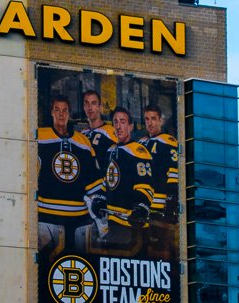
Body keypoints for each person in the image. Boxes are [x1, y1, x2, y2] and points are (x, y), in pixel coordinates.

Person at [37, 94, 105, 260]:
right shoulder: (39, 136)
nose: (61, 114)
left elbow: (93, 181)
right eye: (57, 110)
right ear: (51, 113)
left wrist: (98, 203)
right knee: (45, 269)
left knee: (76, 265)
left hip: (78, 220)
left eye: (65, 110)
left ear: (69, 114)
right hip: (47, 216)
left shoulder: (82, 142)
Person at [89, 106, 154, 257]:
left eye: (123, 122)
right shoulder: (110, 151)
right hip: (113, 224)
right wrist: (99, 198)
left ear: (130, 126)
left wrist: (141, 207)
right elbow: (107, 183)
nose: (118, 126)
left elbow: (145, 187)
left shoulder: (138, 151)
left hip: (132, 226)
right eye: (115, 122)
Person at [138, 105, 180, 260]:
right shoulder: (141, 144)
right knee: (143, 248)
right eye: (147, 119)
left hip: (160, 207)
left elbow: (174, 172)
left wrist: (171, 199)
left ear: (161, 120)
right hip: (143, 207)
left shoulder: (168, 141)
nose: (150, 123)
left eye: (153, 119)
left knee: (161, 247)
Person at [81, 90, 118, 176]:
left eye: (93, 103)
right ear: (84, 107)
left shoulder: (110, 131)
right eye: (87, 103)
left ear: (100, 107)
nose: (90, 107)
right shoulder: (82, 134)